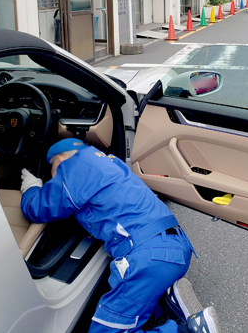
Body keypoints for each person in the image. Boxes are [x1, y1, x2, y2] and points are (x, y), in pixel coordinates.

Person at [20, 138, 221, 333]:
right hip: (177, 248)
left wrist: (32, 187)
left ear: (60, 159)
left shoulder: (72, 168)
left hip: (147, 259)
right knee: (137, 302)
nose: (54, 175)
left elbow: (38, 209)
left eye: (53, 167)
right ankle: (169, 299)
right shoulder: (111, 162)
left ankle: (191, 330)